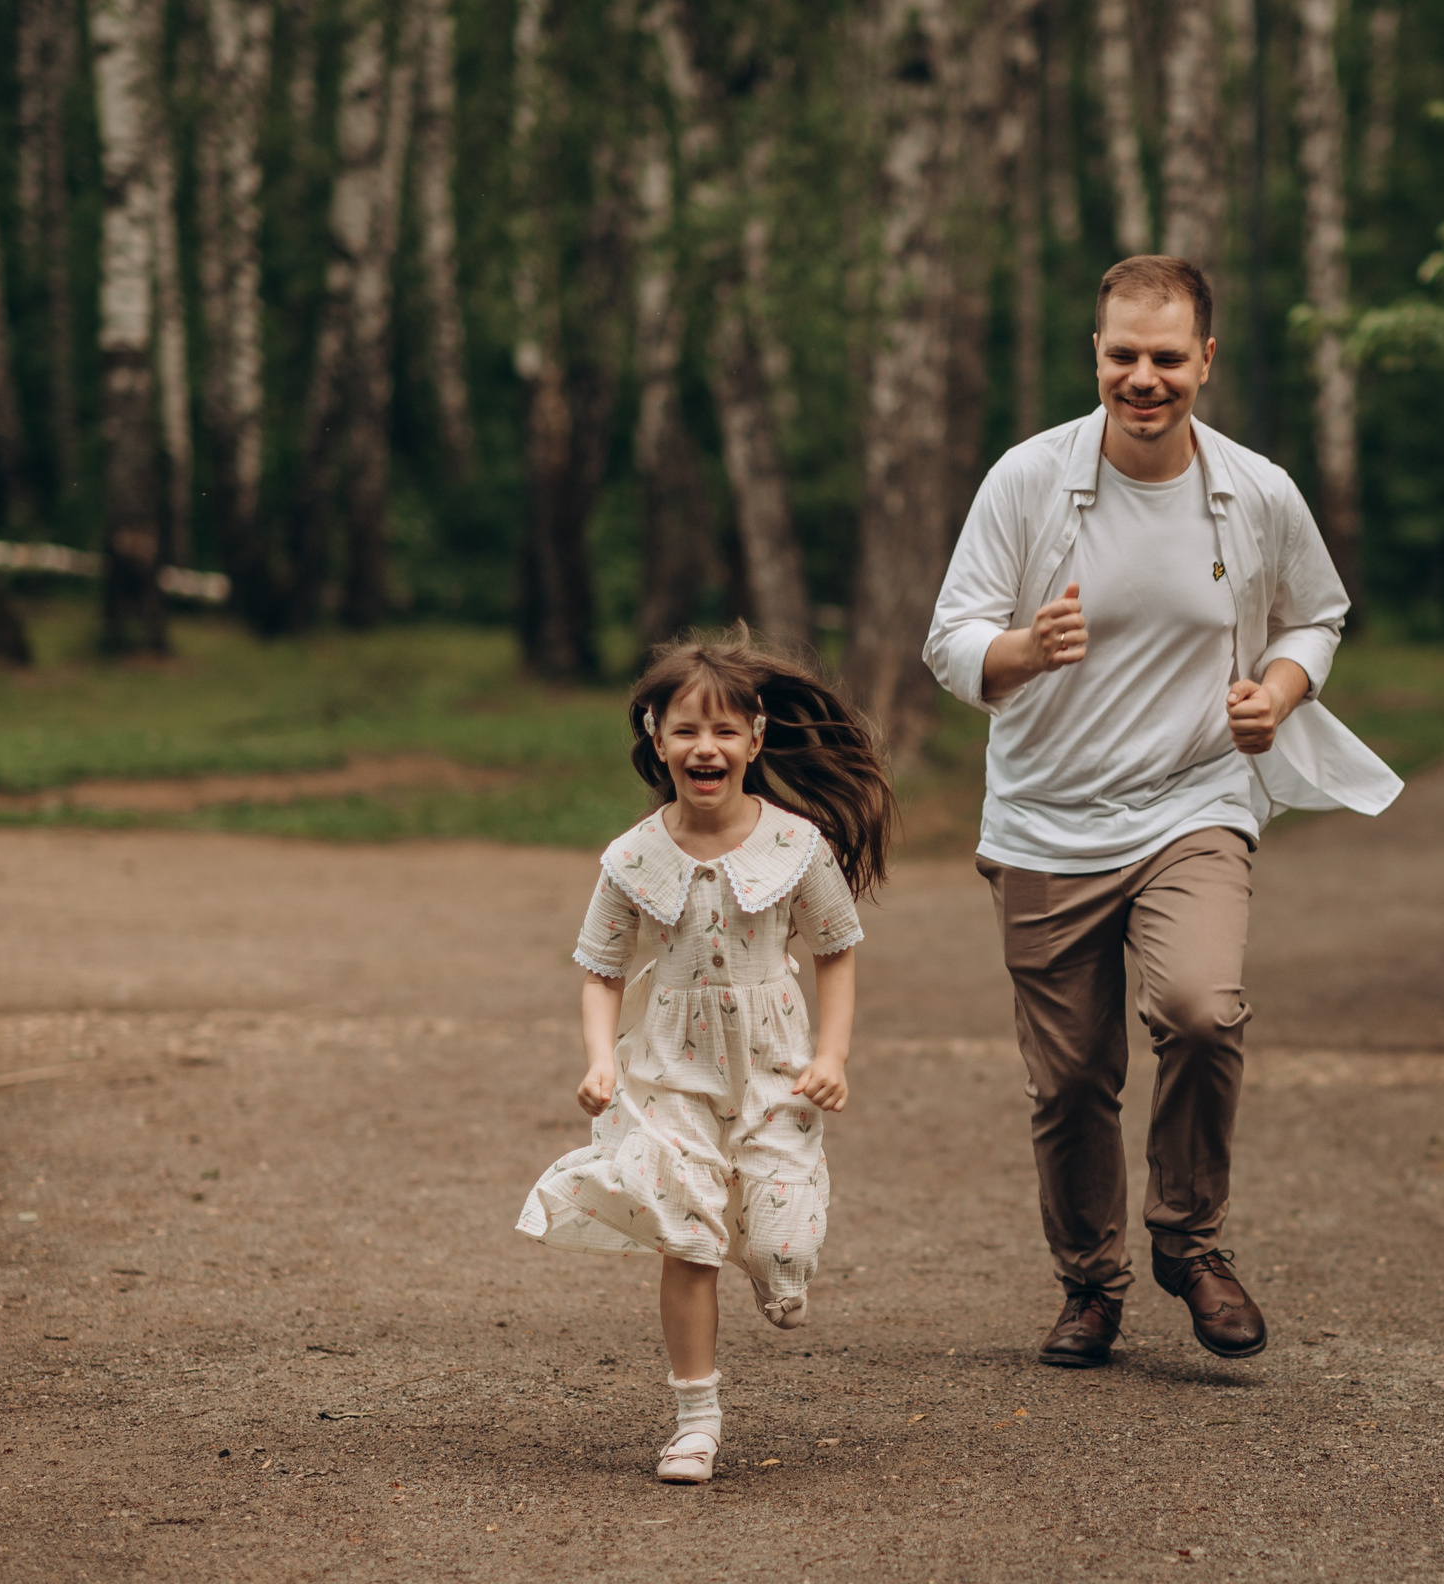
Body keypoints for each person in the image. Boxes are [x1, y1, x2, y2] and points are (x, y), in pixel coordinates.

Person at [923, 255, 1399, 1370]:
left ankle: (1189, 1242)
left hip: (1195, 800)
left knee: (1199, 1007)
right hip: (1046, 818)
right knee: (1072, 1078)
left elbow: (1316, 617)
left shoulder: (1255, 491)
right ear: (1094, 354)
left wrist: (1273, 695)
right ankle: (1089, 1285)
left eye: (1167, 358)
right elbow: (949, 641)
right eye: (1123, 356)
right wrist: (1020, 648)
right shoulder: (1028, 480)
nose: (1144, 379)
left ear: (1206, 361)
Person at [515, 633, 895, 1485]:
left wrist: (832, 1054)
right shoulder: (632, 858)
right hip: (670, 1075)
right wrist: (599, 1062)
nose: (705, 748)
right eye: (685, 730)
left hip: (774, 1068)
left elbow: (835, 949)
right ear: (656, 736)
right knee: (686, 1234)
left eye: (725, 732)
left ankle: (776, 1265)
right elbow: (601, 970)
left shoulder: (797, 846)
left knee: (779, 1245)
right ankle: (695, 1419)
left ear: (756, 739)